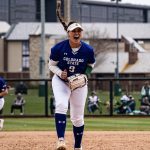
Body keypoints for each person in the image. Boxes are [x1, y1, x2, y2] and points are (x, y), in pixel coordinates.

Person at [48, 3, 95, 150]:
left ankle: (77, 147)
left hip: (79, 84)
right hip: (61, 81)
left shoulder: (88, 50)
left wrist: (85, 77)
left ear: (82, 33)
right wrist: (59, 73)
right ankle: (61, 140)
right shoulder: (58, 48)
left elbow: (90, 66)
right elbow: (51, 65)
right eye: (74, 31)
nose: (77, 33)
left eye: (79, 31)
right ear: (68, 33)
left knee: (77, 118)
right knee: (61, 105)